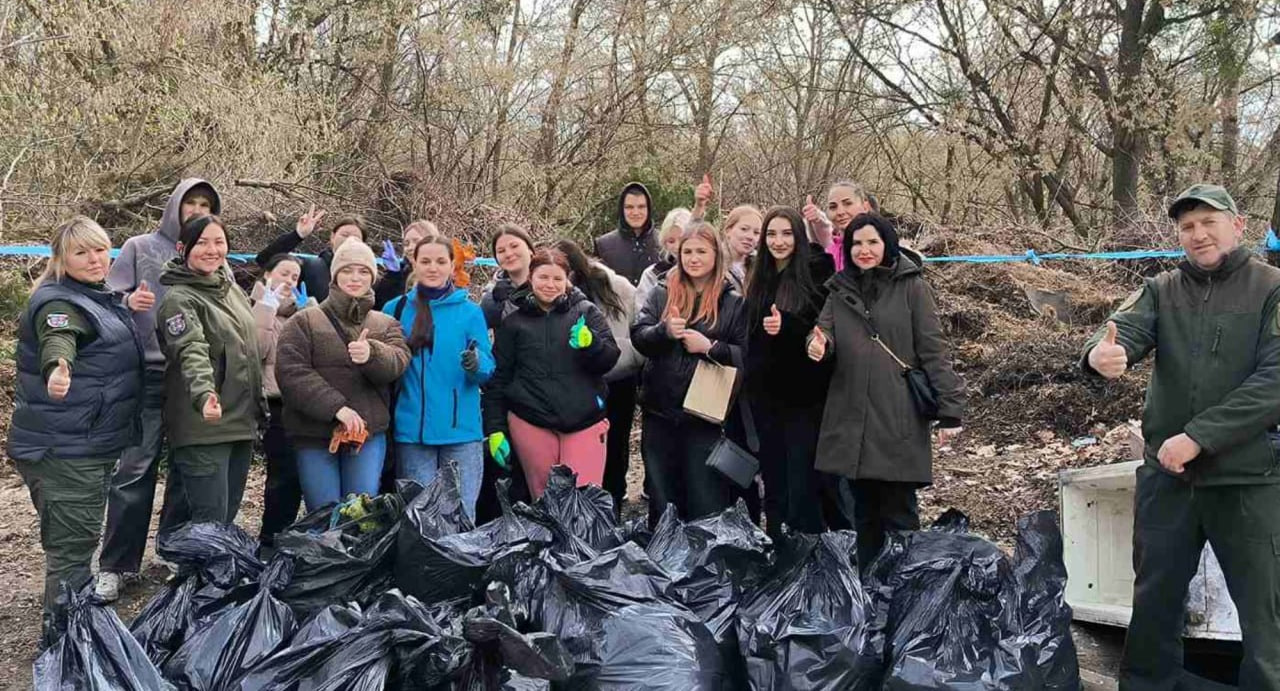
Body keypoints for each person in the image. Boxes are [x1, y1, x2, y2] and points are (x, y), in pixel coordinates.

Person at [1081, 184, 1280, 690]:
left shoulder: (1271, 288)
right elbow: (1119, 333)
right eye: (1187, 227)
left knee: (1266, 612)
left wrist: (1198, 436)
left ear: (1237, 225)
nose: (1198, 234)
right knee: (1154, 604)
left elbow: (1275, 380)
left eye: (1209, 222)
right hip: (1167, 479)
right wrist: (1099, 355)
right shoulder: (1161, 289)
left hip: (1247, 479)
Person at [8, 217, 144, 638]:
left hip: (86, 443)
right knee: (72, 555)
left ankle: (74, 640)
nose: (94, 259)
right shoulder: (59, 303)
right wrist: (58, 366)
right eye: (81, 252)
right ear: (61, 259)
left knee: (76, 546)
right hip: (66, 450)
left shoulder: (94, 296)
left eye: (100, 249)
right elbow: (59, 335)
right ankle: (63, 648)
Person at [806, 213, 964, 568]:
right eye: (857, 243)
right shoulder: (839, 289)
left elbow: (933, 350)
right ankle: (870, 587)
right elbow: (823, 332)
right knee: (863, 515)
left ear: (887, 245)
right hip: (852, 418)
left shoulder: (912, 286)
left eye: (872, 242)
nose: (864, 250)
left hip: (897, 416)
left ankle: (906, 586)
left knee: (899, 514)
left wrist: (950, 410)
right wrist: (817, 345)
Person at [96, 178, 213, 600]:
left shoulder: (209, 253)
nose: (197, 210)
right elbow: (104, 300)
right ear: (175, 206)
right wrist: (128, 303)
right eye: (191, 202)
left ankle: (173, 551)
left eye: (205, 205)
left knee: (185, 467)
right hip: (146, 372)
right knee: (134, 469)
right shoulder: (139, 247)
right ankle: (115, 564)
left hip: (192, 378)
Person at [276, 239, 410, 510]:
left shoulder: (386, 324)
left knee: (359, 514)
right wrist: (337, 408)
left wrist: (372, 353)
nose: (355, 277)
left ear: (373, 277)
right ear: (335, 275)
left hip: (367, 436)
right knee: (323, 513)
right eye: (347, 270)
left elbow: (399, 361)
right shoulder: (304, 321)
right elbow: (291, 372)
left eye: (363, 271)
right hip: (314, 435)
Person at [632, 221, 748, 525]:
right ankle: (665, 550)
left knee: (705, 498)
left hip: (705, 416)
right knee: (662, 497)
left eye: (701, 252)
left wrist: (711, 347)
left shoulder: (733, 301)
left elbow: (747, 355)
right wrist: (664, 331)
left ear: (716, 255)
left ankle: (705, 554)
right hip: (660, 410)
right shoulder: (661, 292)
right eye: (688, 252)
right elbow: (639, 337)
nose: (694, 259)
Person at [157, 215, 266, 527]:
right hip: (205, 425)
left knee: (225, 518)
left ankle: (187, 557)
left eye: (219, 242)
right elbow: (191, 350)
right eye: (202, 242)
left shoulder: (231, 291)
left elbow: (248, 351)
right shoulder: (179, 300)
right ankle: (187, 561)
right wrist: (204, 394)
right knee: (210, 523)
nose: (212, 250)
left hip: (241, 421)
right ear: (183, 248)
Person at [484, 248, 620, 499]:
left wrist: (591, 344)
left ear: (567, 281)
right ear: (531, 278)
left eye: (557, 278)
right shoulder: (513, 323)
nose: (550, 284)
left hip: (583, 420)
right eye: (543, 277)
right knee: (544, 499)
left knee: (584, 500)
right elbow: (499, 378)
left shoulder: (586, 312)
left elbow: (609, 359)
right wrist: (495, 428)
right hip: (531, 420)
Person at [742, 206, 838, 537]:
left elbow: (821, 327)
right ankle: (777, 543)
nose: (778, 242)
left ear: (798, 235)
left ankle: (807, 546)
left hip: (804, 397)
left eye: (786, 234)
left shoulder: (816, 270)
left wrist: (788, 326)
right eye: (771, 234)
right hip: (765, 396)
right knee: (773, 477)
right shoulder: (759, 274)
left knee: (803, 479)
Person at [384, 237, 494, 519]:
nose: (433, 268)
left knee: (461, 517)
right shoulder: (395, 309)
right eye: (425, 261)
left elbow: (487, 368)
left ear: (452, 265)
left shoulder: (470, 312)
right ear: (414, 263)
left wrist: (476, 363)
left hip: (461, 432)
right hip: (412, 432)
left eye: (440, 261)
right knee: (419, 519)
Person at [555, 239, 643, 514]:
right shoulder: (550, 290)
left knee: (615, 444)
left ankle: (613, 502)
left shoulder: (612, 286)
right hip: (576, 383)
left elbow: (637, 324)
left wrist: (628, 355)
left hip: (616, 377)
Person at [250, 253, 312, 546]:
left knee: (300, 474)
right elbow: (255, 350)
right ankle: (270, 538)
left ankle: (289, 534)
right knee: (283, 472)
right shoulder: (255, 307)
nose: (289, 281)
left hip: (302, 404)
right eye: (284, 273)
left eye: (295, 277)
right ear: (267, 274)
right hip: (273, 404)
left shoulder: (300, 313)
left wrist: (310, 310)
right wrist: (266, 309)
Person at [254, 207, 363, 303]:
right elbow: (264, 260)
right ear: (332, 237)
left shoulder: (367, 278)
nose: (349, 240)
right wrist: (297, 235)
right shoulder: (311, 267)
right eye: (345, 235)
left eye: (356, 237)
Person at [594, 182, 659, 286]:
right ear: (622, 209)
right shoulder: (604, 245)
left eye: (641, 207)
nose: (636, 212)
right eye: (629, 207)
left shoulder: (664, 243)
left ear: (649, 209)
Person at [480, 224, 535, 330]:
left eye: (514, 246)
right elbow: (476, 331)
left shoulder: (554, 281)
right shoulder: (492, 294)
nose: (508, 254)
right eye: (501, 251)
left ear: (530, 249)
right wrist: (493, 303)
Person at [636, 207, 691, 313]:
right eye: (671, 241)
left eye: (683, 239)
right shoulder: (652, 275)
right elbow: (641, 315)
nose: (677, 246)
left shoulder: (709, 273)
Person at [374, 219, 439, 309]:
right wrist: (393, 275)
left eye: (416, 241)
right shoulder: (401, 275)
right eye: (406, 244)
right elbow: (381, 307)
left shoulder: (442, 275)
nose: (410, 248)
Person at [721, 205, 763, 291]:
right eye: (744, 229)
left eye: (756, 233)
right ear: (728, 230)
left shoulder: (760, 267)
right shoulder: (714, 263)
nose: (750, 237)